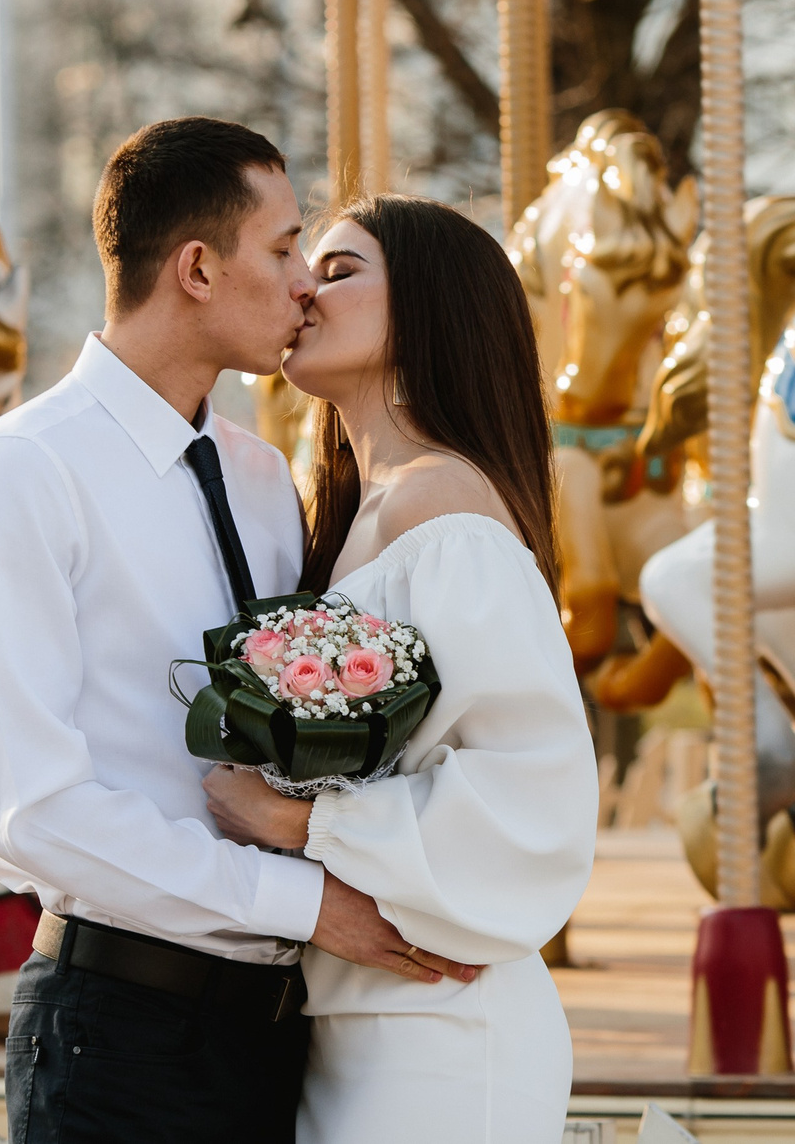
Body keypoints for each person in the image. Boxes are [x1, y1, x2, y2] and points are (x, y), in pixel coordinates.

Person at [0, 120, 479, 1144]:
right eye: (282, 248)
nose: (307, 281)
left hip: (278, 1033)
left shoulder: (264, 479)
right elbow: (37, 814)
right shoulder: (20, 475)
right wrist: (306, 904)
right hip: (118, 1033)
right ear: (197, 269)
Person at [205, 194, 599, 1142]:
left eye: (340, 271)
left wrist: (299, 818)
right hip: (355, 1019)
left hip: (446, 1027)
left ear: (429, 308)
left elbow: (535, 796)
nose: (305, 288)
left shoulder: (446, 506)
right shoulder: (357, 517)